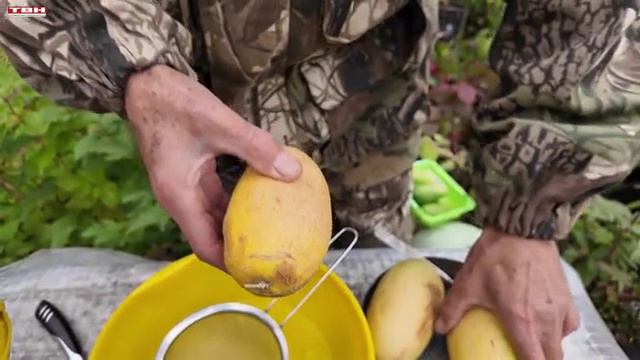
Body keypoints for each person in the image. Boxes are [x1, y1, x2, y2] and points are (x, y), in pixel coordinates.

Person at [1, 0, 639, 358]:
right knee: (214, 239)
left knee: (375, 242)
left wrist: (530, 209)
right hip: (195, 95)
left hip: (369, 90)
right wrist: (127, 62)